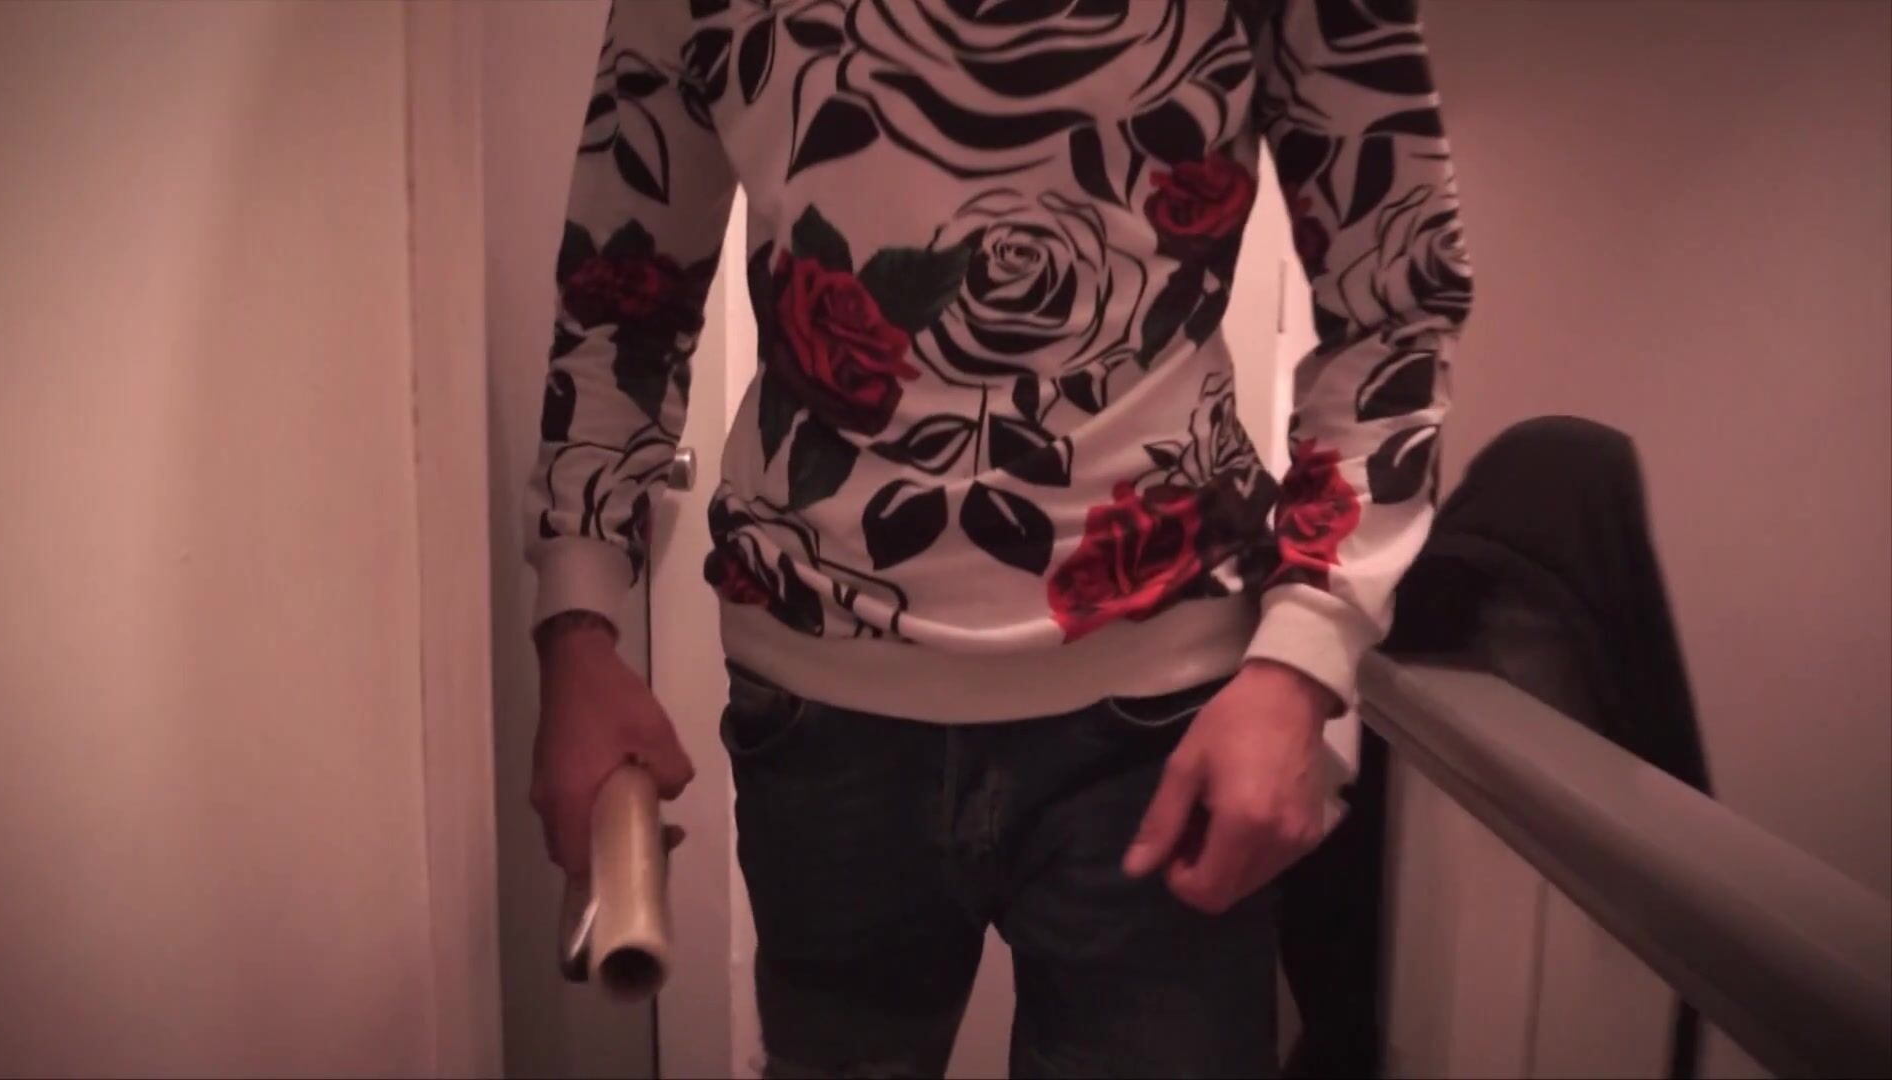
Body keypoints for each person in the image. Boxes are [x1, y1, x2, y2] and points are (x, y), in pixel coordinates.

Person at [527, 0, 1470, 1075]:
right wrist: (577, 629)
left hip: (1173, 714)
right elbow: (620, 296)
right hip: (820, 714)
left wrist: (1304, 662)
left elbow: (1396, 297)